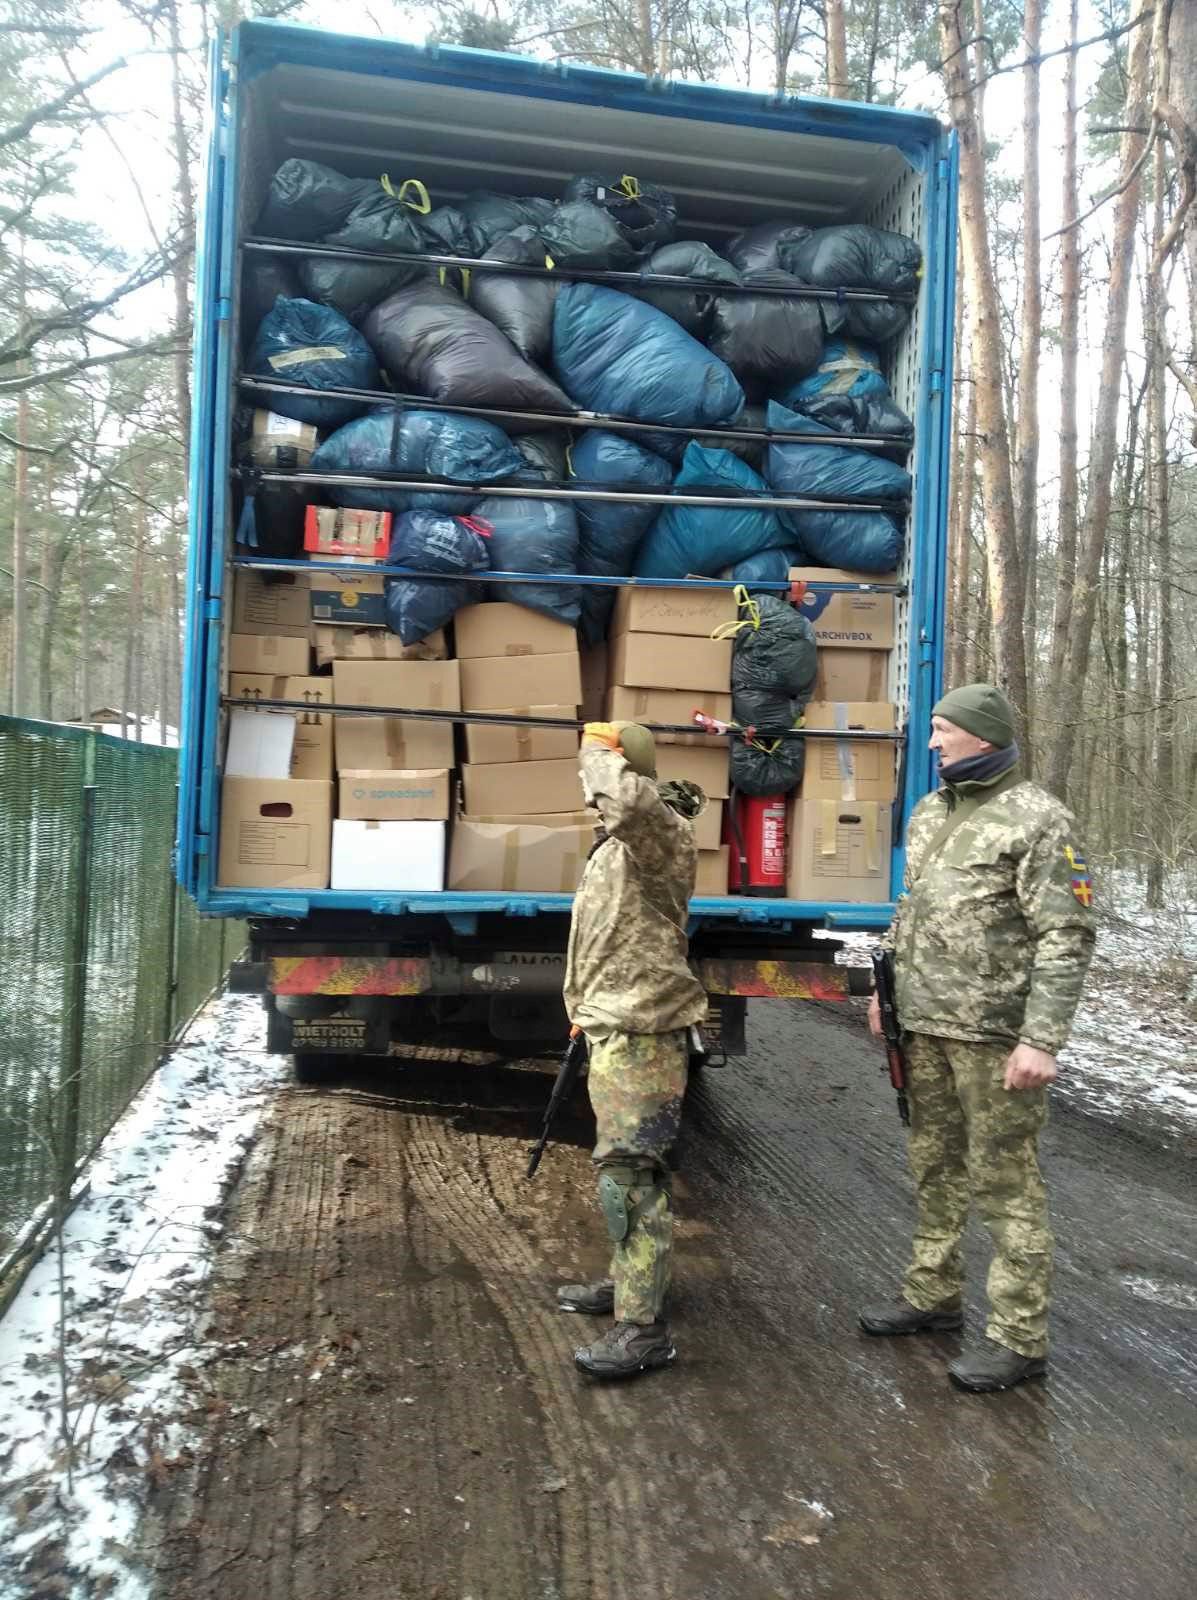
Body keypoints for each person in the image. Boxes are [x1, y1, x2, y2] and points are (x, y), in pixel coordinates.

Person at [859, 683, 1096, 1392]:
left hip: (993, 1037)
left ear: (982, 736)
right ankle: (931, 1295)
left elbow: (1066, 935)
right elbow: (909, 913)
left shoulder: (1039, 820)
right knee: (933, 1166)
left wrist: (1041, 1040)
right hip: (924, 1028)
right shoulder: (932, 812)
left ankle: (1019, 1337)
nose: (931, 742)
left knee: (1005, 1182)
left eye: (941, 729)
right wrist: (886, 993)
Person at [559, 719, 707, 1381]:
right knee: (624, 1170)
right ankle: (631, 1283)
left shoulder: (657, 832)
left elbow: (630, 800)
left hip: (642, 1033)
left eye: (601, 775)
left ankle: (642, 1330)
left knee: (632, 1177)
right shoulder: (621, 844)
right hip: (615, 1024)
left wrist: (597, 752)